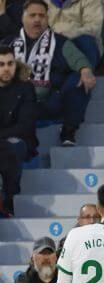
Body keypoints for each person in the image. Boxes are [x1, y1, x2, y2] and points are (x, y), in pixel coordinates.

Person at [9, 0, 95, 145]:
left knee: (79, 79)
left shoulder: (59, 42)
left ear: (47, 19)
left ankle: (68, 131)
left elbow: (78, 59)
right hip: (16, 103)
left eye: (41, 16)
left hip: (47, 102)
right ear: (23, 19)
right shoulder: (9, 44)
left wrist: (85, 70)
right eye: (32, 15)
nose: (37, 19)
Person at [0, 44, 36, 214]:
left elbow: (25, 126)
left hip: (19, 140)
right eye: (1, 65)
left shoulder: (25, 88)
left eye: (10, 63)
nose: (6, 69)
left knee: (12, 148)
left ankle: (10, 200)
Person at [45, 0, 103, 68]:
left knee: (86, 41)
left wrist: (65, 35)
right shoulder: (44, 2)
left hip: (79, 39)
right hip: (53, 40)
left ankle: (84, 71)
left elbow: (93, 28)